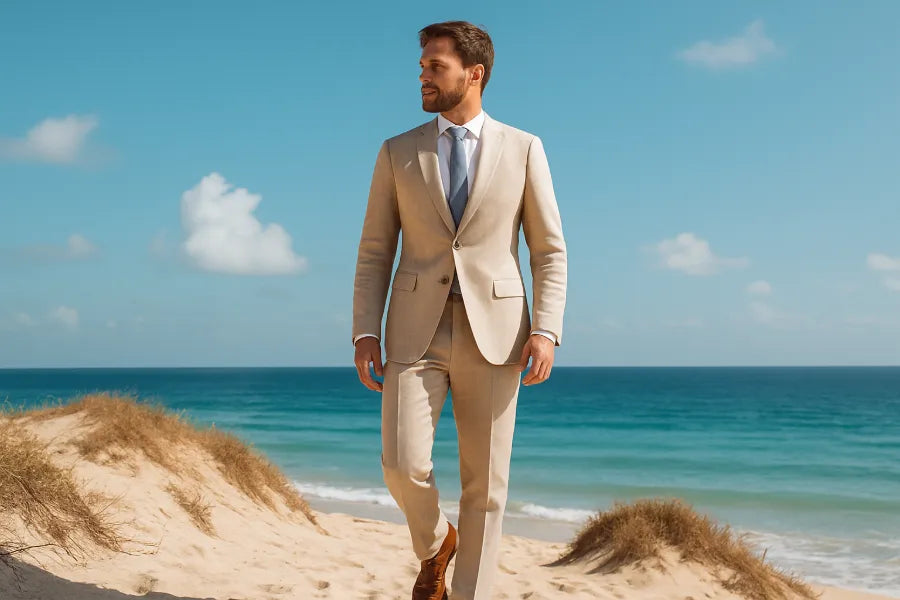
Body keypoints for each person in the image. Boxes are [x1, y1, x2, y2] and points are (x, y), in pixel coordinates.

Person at [351, 20, 567, 600]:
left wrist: (547, 329)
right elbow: (375, 250)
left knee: (487, 489)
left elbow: (548, 249)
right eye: (422, 66)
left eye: (434, 66)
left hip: (496, 333)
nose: (422, 75)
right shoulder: (397, 151)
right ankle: (435, 541)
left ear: (475, 74)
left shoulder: (524, 148)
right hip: (412, 332)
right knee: (401, 465)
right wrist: (363, 332)